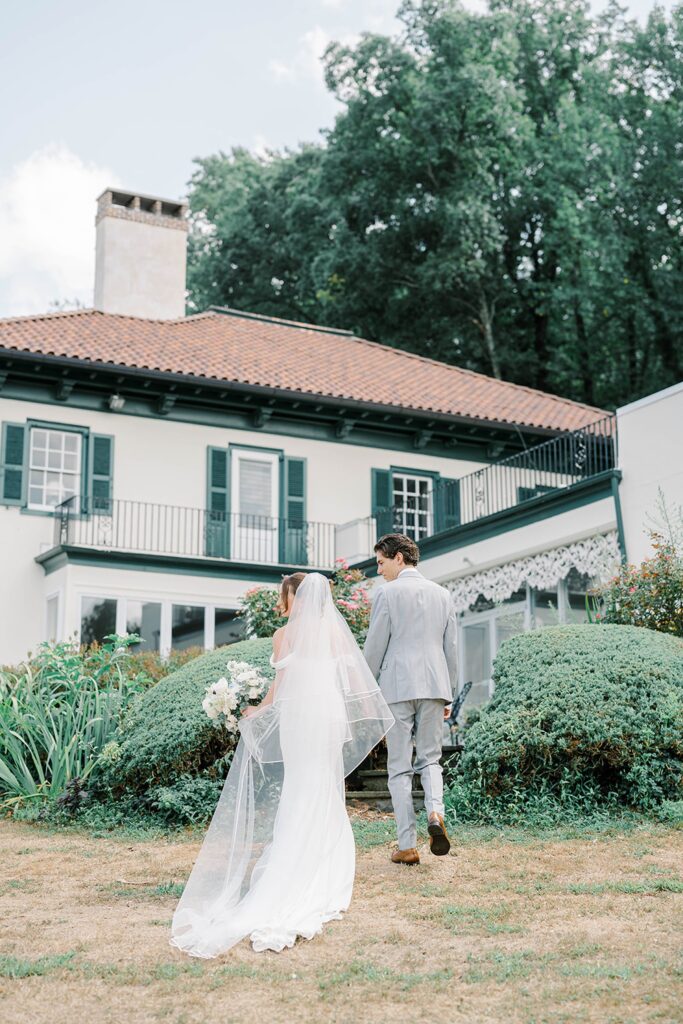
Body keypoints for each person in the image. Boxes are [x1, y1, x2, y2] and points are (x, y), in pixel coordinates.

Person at [169, 571, 394, 957]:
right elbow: (354, 683)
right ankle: (323, 862)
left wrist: (257, 709)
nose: (282, 604)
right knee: (324, 783)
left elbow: (281, 687)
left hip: (299, 719)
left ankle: (294, 856)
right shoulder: (336, 634)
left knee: (301, 783)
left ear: (296, 598)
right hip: (328, 715)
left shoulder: (282, 636)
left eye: (285, 596)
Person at [363, 534, 458, 865]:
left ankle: (407, 844)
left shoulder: (387, 594)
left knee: (399, 767)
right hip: (435, 685)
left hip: (397, 686)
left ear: (399, 558)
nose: (380, 570)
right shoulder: (443, 594)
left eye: (381, 562)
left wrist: (365, 687)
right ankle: (435, 812)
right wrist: (450, 692)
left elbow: (375, 646)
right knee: (431, 759)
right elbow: (451, 648)